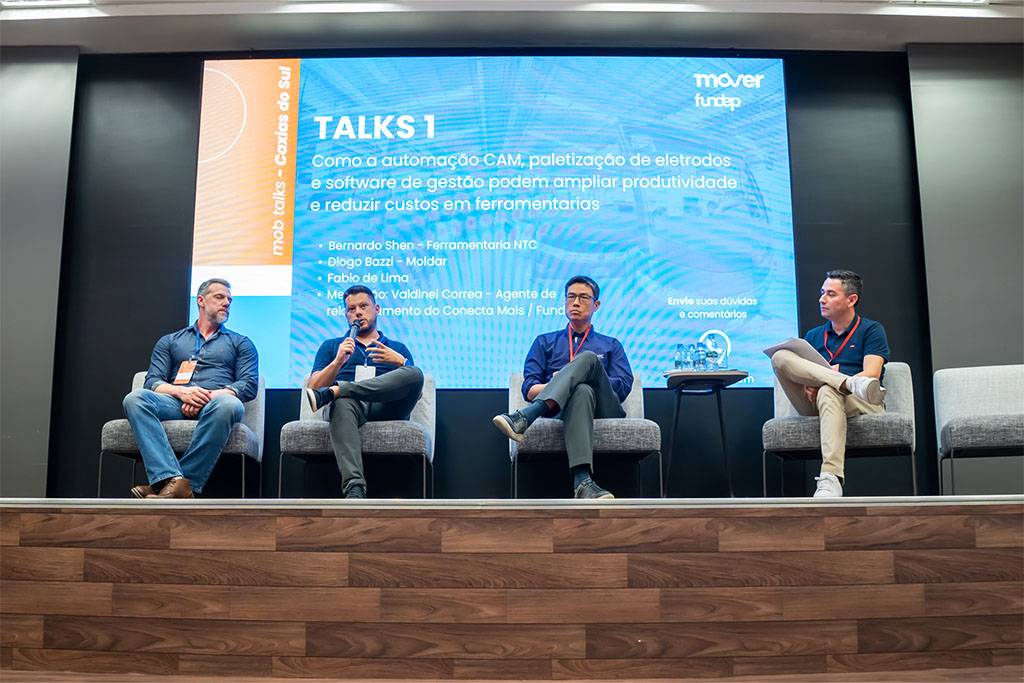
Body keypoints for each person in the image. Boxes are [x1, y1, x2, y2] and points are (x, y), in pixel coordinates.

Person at [492, 275, 633, 499]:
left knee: (588, 361)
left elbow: (624, 386)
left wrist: (588, 375)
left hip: (605, 407)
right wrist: (558, 384)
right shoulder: (544, 342)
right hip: (561, 410)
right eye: (571, 297)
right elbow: (529, 388)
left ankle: (525, 418)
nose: (576, 302)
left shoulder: (611, 344)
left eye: (584, 297)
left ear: (596, 305)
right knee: (581, 391)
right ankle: (583, 483)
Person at [122, 278, 258, 499]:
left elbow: (248, 385)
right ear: (201, 300)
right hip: (175, 401)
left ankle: (177, 484)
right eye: (220, 297)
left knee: (230, 404)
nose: (227, 303)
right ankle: (171, 479)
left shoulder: (240, 343)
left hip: (216, 401)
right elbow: (153, 381)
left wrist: (205, 397)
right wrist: (182, 392)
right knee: (135, 399)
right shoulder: (170, 341)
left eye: (229, 300)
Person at [769, 269, 890, 498]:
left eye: (831, 294)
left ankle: (830, 478)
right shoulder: (813, 336)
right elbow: (801, 375)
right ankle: (844, 382)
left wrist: (826, 383)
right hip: (814, 402)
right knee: (780, 357)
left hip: (862, 399)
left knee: (828, 390)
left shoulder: (871, 330)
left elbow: (872, 374)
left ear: (851, 300)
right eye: (822, 292)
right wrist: (813, 383)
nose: (822, 299)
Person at [304, 285, 424, 498]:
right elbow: (313, 388)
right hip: (351, 408)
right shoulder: (332, 346)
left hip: (386, 406)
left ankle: (340, 389)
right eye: (351, 309)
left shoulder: (396, 347)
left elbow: (413, 385)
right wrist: (338, 362)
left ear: (376, 308)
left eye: (363, 306)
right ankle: (354, 489)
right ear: (346, 314)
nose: (357, 312)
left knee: (415, 372)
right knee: (341, 402)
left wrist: (400, 361)